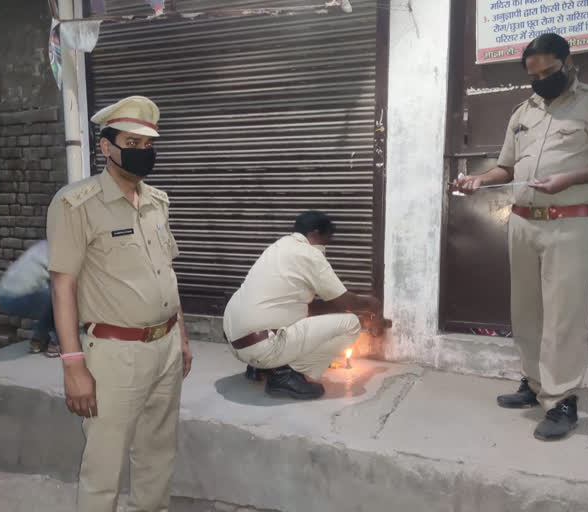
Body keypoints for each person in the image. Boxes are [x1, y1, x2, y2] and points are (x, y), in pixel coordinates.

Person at [454, 34, 588, 441]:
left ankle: (562, 398)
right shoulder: (523, 111)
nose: (542, 80)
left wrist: (571, 178)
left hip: (569, 223)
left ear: (568, 63)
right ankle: (533, 385)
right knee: (526, 311)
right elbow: (506, 168)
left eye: (550, 72)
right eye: (534, 75)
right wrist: (479, 179)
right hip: (521, 222)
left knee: (564, 315)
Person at [46, 95, 192, 512]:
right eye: (132, 142)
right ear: (107, 146)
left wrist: (180, 336)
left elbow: (167, 274)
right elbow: (63, 286)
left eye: (148, 145)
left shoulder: (156, 201)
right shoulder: (77, 204)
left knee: (157, 456)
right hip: (114, 354)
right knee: (103, 467)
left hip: (164, 348)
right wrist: (73, 364)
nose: (142, 152)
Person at [223, 210, 384, 400]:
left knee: (295, 316)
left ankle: (261, 367)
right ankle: (284, 376)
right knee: (351, 325)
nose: (325, 247)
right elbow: (345, 301)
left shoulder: (279, 246)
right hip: (260, 347)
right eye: (325, 241)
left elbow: (304, 305)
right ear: (314, 234)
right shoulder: (309, 254)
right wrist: (373, 306)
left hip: (235, 343)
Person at [0, 240, 60, 357]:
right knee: (63, 297)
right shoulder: (63, 250)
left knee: (50, 299)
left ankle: (37, 341)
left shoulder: (43, 244)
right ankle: (56, 343)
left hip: (3, 295)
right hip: (20, 298)